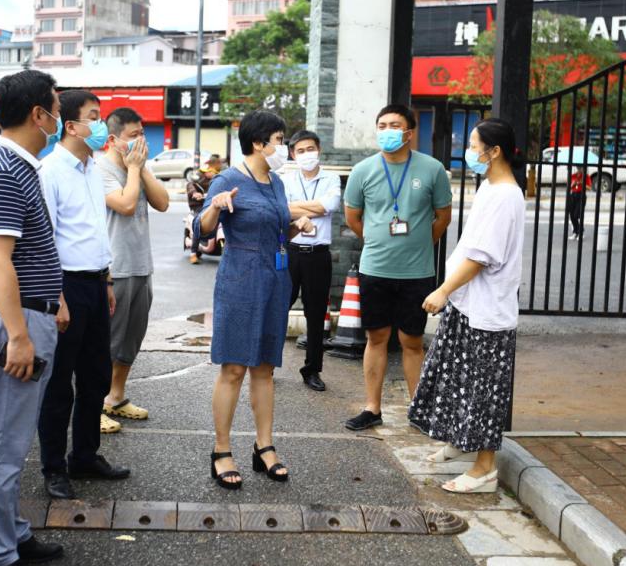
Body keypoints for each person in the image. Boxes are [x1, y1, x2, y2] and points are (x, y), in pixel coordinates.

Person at [0, 69, 69, 566]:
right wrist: (19, 336)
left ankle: (11, 534)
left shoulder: (20, 167)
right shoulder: (5, 171)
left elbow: (29, 251)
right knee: (3, 446)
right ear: (38, 114)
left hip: (31, 314)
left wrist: (55, 300)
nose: (59, 117)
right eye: (56, 109)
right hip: (17, 321)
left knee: (13, 440)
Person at [194, 110, 314, 489]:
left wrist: (296, 226)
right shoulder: (227, 180)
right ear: (259, 143)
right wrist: (215, 206)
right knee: (234, 368)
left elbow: (277, 231)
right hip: (240, 280)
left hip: (275, 279)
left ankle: (265, 447)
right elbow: (203, 230)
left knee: (265, 368)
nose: (284, 148)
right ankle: (221, 450)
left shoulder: (276, 182)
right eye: (279, 140)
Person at [408, 118, 526, 494]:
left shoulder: (506, 195)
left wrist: (443, 290)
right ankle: (460, 443)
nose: (468, 152)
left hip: (487, 311)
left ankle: (484, 468)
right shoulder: (490, 187)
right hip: (469, 303)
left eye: (474, 145)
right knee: (458, 379)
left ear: (495, 151)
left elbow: (481, 256)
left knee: (483, 389)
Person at [37, 90, 130, 502]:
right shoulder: (50, 171)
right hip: (66, 285)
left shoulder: (92, 168)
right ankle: (54, 467)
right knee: (60, 383)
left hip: (95, 283)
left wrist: (106, 281)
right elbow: (45, 239)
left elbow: (95, 229)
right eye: (94, 117)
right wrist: (56, 297)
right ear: (71, 126)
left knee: (95, 376)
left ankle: (85, 456)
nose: (100, 124)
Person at [342, 104, 453, 431]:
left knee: (412, 340)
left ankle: (417, 409)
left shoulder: (432, 169)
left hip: (416, 272)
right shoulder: (363, 170)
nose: (387, 131)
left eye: (394, 125)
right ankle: (372, 407)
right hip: (375, 269)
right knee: (376, 337)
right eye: (382, 125)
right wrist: (376, 241)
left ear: (409, 133)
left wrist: (421, 244)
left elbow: (443, 217)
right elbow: (353, 218)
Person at [98, 108, 170, 432]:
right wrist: (134, 169)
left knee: (131, 339)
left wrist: (140, 169)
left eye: (142, 133)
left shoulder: (138, 167)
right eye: (133, 135)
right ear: (113, 140)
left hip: (142, 265)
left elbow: (163, 202)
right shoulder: (101, 170)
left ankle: (116, 397)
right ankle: (94, 403)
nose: (141, 140)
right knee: (107, 342)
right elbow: (126, 205)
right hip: (115, 269)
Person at [283, 130, 341, 392]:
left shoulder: (331, 178)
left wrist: (298, 207)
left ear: (319, 150)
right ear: (293, 154)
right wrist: (314, 207)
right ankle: (267, 365)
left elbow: (330, 205)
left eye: (311, 149)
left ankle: (312, 370)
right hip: (291, 252)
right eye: (301, 151)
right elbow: (283, 210)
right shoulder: (285, 179)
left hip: (318, 255)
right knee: (278, 309)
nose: (307, 154)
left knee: (316, 316)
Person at [187, 165, 215, 265]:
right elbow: (191, 189)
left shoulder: (213, 182)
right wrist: (195, 194)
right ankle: (193, 253)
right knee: (198, 224)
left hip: (210, 207)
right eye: (210, 171)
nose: (212, 173)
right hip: (198, 208)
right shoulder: (193, 183)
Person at [567, 166, 589, 240]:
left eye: (581, 168)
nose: (579, 169)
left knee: (577, 215)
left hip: (581, 195)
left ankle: (580, 232)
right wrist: (573, 184)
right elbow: (569, 186)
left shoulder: (586, 176)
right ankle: (575, 232)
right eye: (578, 168)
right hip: (573, 195)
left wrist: (582, 183)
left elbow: (589, 187)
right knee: (571, 215)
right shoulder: (573, 176)